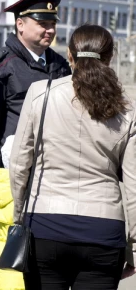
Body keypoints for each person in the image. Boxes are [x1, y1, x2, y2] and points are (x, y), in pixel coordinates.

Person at [10, 24, 136, 289]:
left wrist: (18, 215)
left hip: (45, 225)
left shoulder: (40, 94)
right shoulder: (126, 109)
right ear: (109, 57)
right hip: (104, 232)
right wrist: (134, 247)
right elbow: (135, 186)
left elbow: (20, 164)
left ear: (69, 55)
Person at [0, 0, 71, 290]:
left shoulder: (59, 66)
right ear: (20, 24)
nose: (49, 29)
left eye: (52, 23)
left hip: (51, 183)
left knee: (40, 265)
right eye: (42, 23)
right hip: (10, 184)